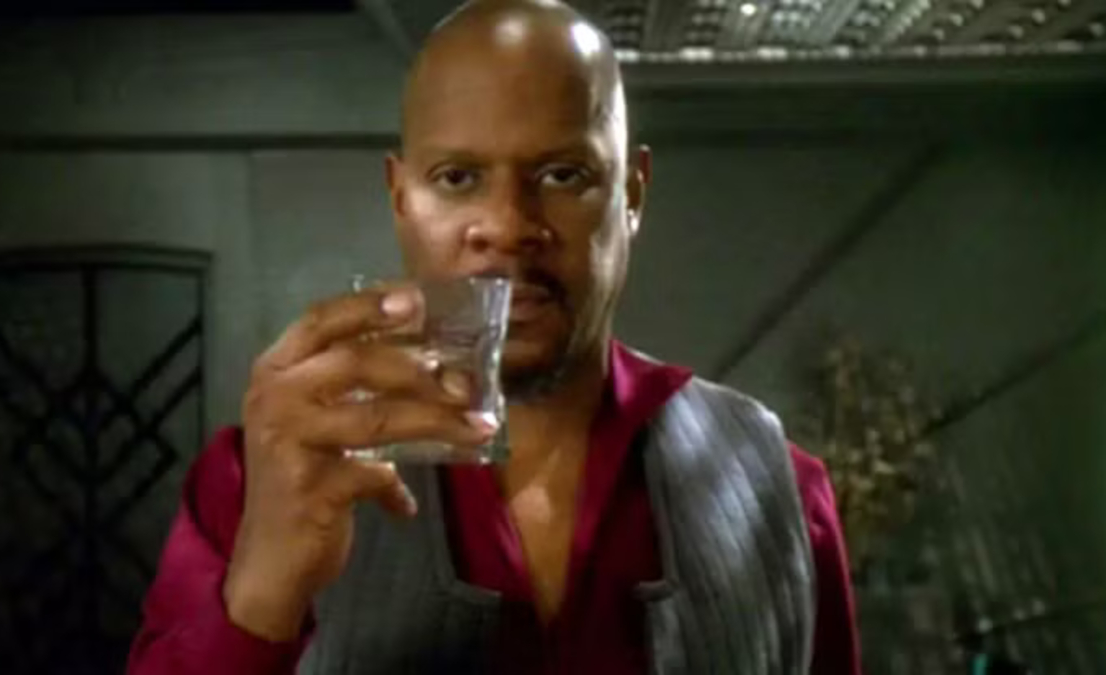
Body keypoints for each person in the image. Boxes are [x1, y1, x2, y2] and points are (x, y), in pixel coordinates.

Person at [126, 0, 861, 672]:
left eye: (564, 174)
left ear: (631, 195)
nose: (508, 226)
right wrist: (258, 600)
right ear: (401, 198)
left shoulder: (780, 488)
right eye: (457, 178)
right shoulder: (262, 479)